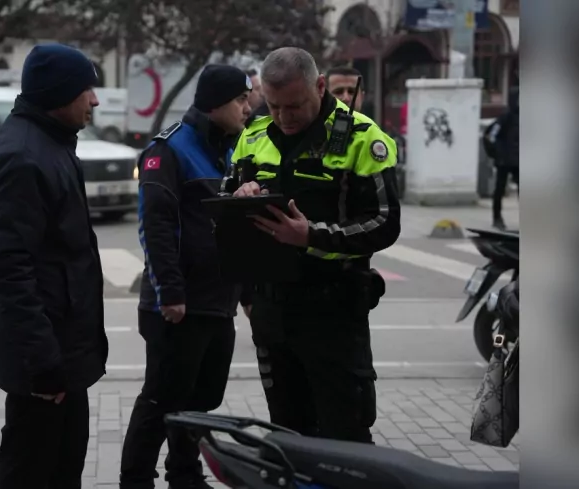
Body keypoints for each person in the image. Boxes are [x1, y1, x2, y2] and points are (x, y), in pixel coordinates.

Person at [230, 47, 401, 443]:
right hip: (271, 312)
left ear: (320, 86)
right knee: (288, 435)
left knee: (346, 436)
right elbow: (226, 208)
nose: (284, 117)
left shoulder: (362, 138)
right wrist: (239, 193)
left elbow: (384, 223)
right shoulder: (252, 135)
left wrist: (311, 236)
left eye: (294, 106)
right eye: (273, 106)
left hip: (334, 312)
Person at [0, 43, 109, 489]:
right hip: (46, 363)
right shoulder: (21, 158)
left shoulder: (51, 144)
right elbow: (8, 272)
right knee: (31, 471)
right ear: (59, 93)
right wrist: (43, 364)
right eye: (86, 89)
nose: (95, 99)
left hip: (63, 353)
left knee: (62, 470)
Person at [120, 64, 252, 489]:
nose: (247, 108)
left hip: (218, 301)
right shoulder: (170, 149)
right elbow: (155, 226)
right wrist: (170, 293)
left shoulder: (232, 150)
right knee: (161, 399)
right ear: (216, 103)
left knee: (202, 399)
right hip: (177, 305)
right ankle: (135, 479)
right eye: (240, 100)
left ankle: (184, 473)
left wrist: (246, 290)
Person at [483, 87, 519, 229]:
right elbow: (491, 136)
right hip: (504, 161)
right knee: (499, 189)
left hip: (519, 160)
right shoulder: (505, 117)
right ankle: (497, 217)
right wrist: (498, 153)